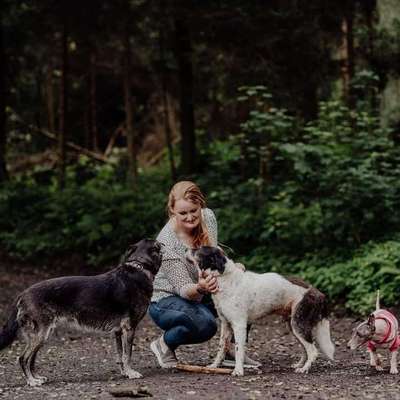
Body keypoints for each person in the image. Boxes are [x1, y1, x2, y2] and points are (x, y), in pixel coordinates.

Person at [149, 181, 260, 369]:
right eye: (183, 213)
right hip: (167, 299)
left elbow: (214, 254)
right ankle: (164, 344)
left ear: (201, 205)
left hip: (202, 288)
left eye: (194, 210)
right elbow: (184, 289)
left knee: (243, 293)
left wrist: (233, 269)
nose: (190, 217)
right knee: (204, 324)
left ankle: (230, 351)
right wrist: (201, 287)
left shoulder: (208, 217)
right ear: (172, 211)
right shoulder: (166, 243)